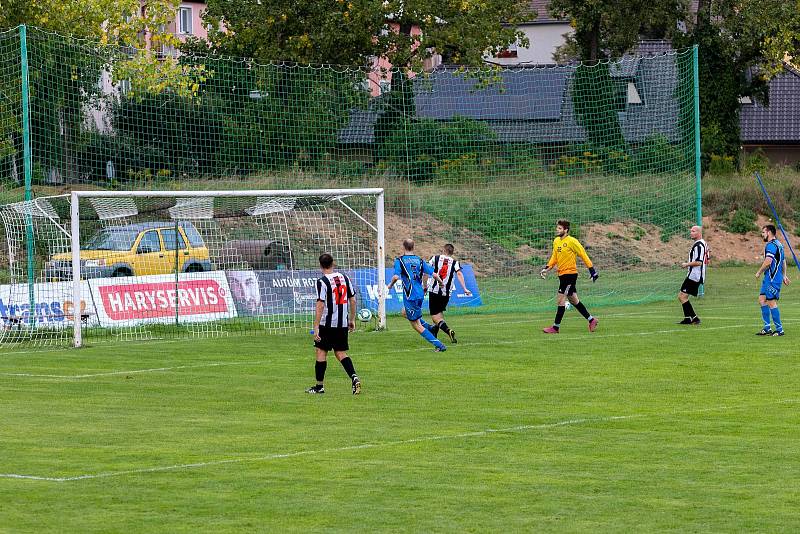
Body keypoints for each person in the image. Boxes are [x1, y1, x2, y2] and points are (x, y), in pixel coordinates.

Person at [307, 253, 361, 394]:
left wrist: (316, 326)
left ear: (320, 266)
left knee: (321, 352)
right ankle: (354, 377)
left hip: (327, 324)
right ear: (333, 263)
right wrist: (352, 319)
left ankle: (319, 387)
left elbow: (320, 304)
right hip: (342, 323)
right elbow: (353, 299)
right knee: (341, 352)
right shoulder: (344, 277)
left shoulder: (322, 281)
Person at [386, 239, 448, 352]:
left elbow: (395, 277)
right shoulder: (419, 260)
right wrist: (441, 282)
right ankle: (431, 328)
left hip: (411, 295)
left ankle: (440, 345)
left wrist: (390, 286)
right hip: (420, 293)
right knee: (404, 312)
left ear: (403, 247)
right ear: (413, 247)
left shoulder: (400, 260)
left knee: (416, 325)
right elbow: (433, 274)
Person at [539, 220, 599, 334]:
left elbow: (583, 254)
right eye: (557, 228)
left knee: (561, 299)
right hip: (561, 275)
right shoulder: (556, 241)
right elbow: (554, 257)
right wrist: (547, 268)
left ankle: (555, 327)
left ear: (566, 230)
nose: (557, 230)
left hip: (570, 275)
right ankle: (592, 320)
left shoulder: (572, 241)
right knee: (574, 300)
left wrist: (592, 271)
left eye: (560, 228)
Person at [425, 243, 473, 343]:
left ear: (443, 250)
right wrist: (465, 288)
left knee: (435, 316)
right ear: (452, 252)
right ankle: (435, 332)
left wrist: (424, 285)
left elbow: (426, 271)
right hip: (446, 294)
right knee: (439, 313)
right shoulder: (455, 262)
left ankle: (448, 331)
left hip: (434, 291)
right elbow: (459, 273)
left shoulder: (435, 258)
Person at [755, 224, 791, 336]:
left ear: (769, 232)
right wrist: (784, 275)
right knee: (762, 300)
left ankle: (780, 330)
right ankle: (767, 328)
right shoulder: (779, 244)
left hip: (772, 278)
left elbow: (768, 262)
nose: (762, 235)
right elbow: (783, 261)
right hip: (769, 278)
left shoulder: (771, 245)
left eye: (763, 232)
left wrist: (759, 272)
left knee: (771, 302)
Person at [677, 225, 707, 325]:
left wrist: (686, 264)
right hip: (694, 275)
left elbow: (699, 262)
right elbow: (707, 258)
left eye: (693, 231)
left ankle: (694, 318)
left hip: (694, 276)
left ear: (699, 233)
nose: (691, 233)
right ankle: (687, 318)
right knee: (682, 296)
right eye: (691, 231)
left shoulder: (699, 245)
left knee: (682, 297)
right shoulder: (703, 244)